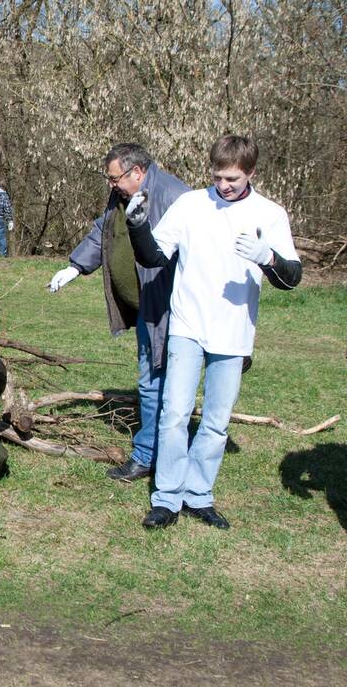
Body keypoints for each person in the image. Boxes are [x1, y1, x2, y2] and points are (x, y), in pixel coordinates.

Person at [125, 135, 301, 529]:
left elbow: (293, 278)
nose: (224, 186)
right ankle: (167, 499)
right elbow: (153, 255)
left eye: (233, 179)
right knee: (174, 414)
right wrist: (137, 227)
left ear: (251, 173)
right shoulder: (191, 205)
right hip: (188, 326)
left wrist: (269, 258)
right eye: (219, 176)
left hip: (234, 334)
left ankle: (198, 494)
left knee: (217, 421)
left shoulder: (270, 214)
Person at [49, 144, 190, 482]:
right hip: (145, 306)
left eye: (114, 178)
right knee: (154, 379)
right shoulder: (123, 196)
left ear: (137, 173)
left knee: (156, 380)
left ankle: (149, 457)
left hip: (169, 307)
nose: (110, 184)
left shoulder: (174, 197)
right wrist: (75, 267)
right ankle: (157, 452)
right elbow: (103, 231)